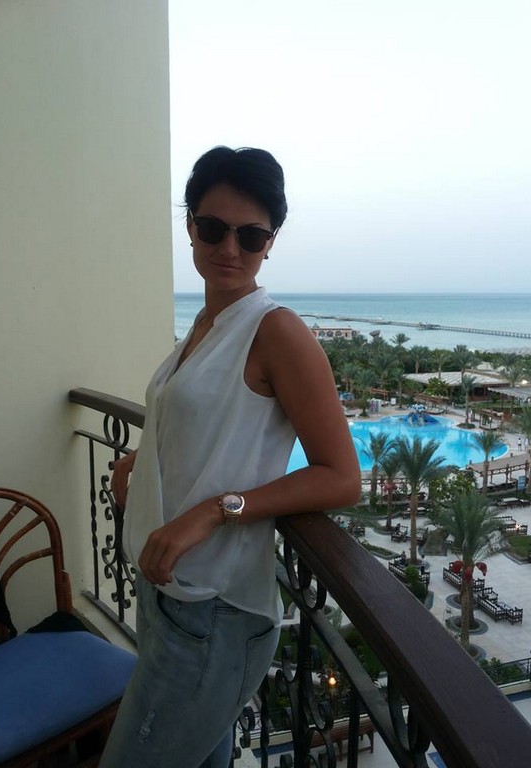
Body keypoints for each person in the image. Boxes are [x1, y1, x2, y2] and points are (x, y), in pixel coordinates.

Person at [99, 146, 361, 768]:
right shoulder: (205, 327)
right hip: (170, 593)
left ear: (271, 243)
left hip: (214, 611)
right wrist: (141, 459)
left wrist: (217, 509)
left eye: (252, 236)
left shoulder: (276, 330)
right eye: (213, 228)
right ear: (190, 226)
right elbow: (199, 419)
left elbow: (342, 477)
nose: (230, 248)